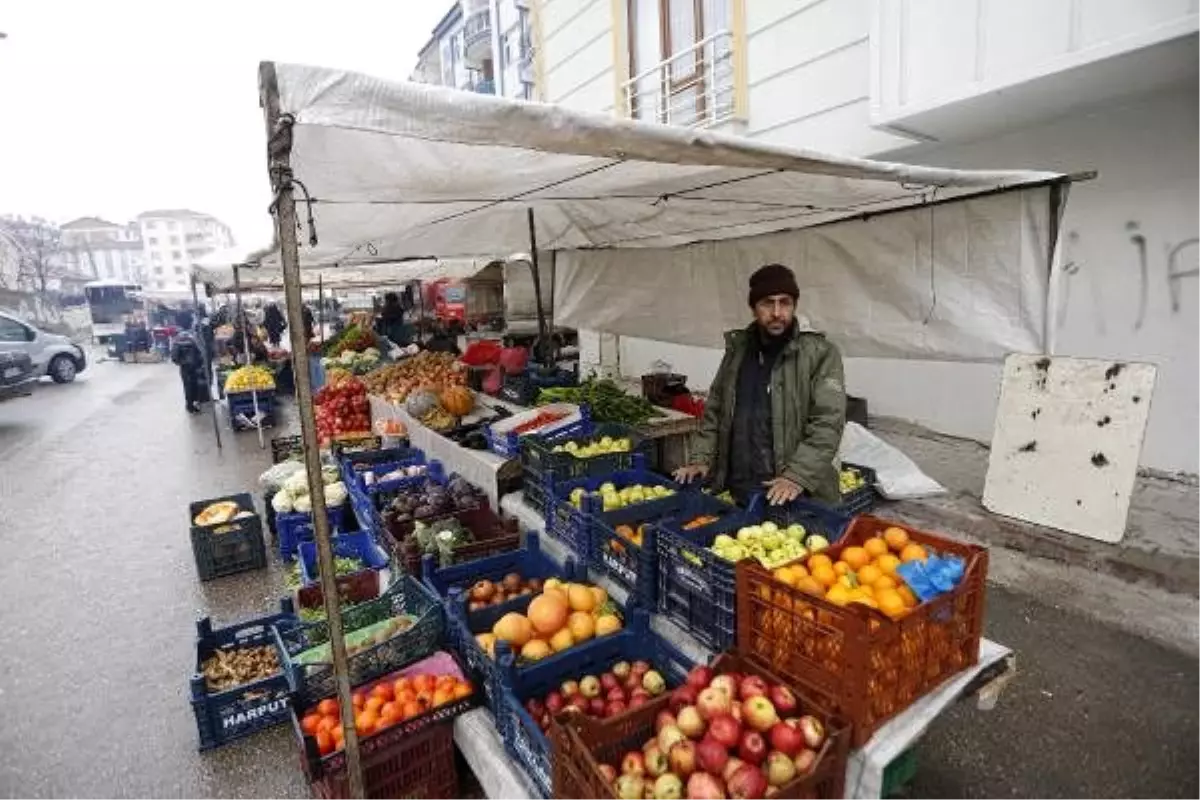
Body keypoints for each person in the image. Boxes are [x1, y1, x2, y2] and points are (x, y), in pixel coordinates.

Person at [673, 264, 846, 506]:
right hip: (740, 489)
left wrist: (797, 476)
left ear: (794, 305)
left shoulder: (820, 354)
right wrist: (701, 458)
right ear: (754, 308)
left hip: (796, 494)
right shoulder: (738, 350)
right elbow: (715, 410)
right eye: (767, 303)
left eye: (785, 302)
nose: (777, 312)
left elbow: (828, 422)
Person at [170, 331, 208, 414]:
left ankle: (190, 405)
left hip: (185, 369)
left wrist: (182, 363)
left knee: (188, 388)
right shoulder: (192, 342)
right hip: (194, 368)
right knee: (195, 386)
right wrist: (199, 364)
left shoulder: (177, 344)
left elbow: (174, 358)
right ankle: (194, 403)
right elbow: (200, 355)